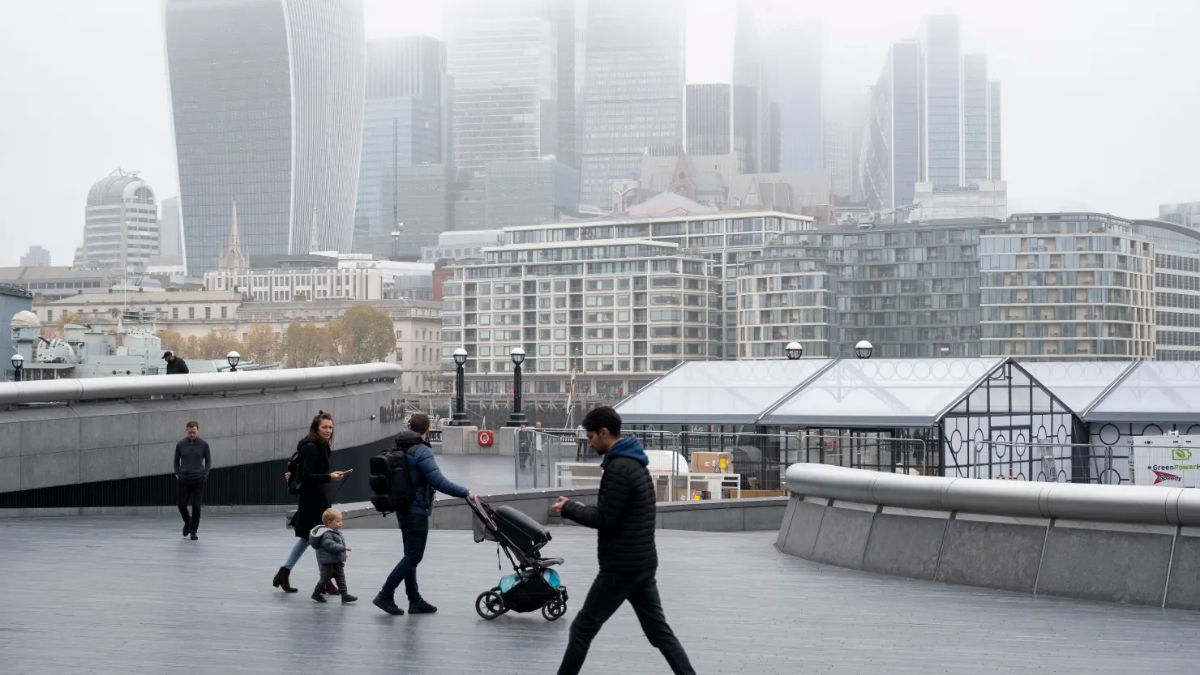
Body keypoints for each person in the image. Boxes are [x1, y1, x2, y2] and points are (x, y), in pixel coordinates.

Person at [551, 406, 695, 675]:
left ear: (604, 432)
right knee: (659, 633)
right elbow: (618, 511)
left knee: (582, 629)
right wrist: (580, 507)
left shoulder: (618, 468)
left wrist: (569, 508)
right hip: (641, 563)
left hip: (621, 567)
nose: (589, 442)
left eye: (591, 436)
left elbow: (605, 518)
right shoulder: (635, 463)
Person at [373, 413, 472, 616]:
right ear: (427, 430)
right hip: (416, 510)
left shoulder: (400, 447)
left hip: (403, 506)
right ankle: (385, 594)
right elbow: (437, 480)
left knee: (410, 555)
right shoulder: (422, 451)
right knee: (413, 556)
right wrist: (465, 492)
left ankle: (414, 600)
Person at [273, 412, 348, 594]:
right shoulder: (311, 448)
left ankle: (285, 573)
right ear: (316, 428)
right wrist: (328, 477)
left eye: (330, 427)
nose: (328, 430)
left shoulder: (320, 446)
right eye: (324, 427)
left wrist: (328, 477)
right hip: (312, 499)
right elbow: (307, 476)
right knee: (318, 536)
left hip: (317, 497)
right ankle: (325, 582)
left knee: (309, 537)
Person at [309, 508, 356, 604]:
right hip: (328, 562)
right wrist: (342, 548)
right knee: (325, 578)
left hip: (336, 560)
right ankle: (316, 593)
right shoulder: (326, 534)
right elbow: (329, 545)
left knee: (341, 578)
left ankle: (345, 595)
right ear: (329, 522)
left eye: (341, 521)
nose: (340, 523)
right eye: (338, 521)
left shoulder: (335, 531)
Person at [174, 421, 211, 540]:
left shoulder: (204, 445)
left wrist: (205, 475)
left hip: (198, 480)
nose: (191, 434)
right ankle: (188, 523)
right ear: (186, 431)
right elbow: (176, 460)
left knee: (196, 506)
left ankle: (193, 531)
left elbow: (208, 461)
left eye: (194, 432)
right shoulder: (180, 445)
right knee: (181, 506)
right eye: (190, 432)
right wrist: (178, 473)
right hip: (183, 479)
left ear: (197, 431)